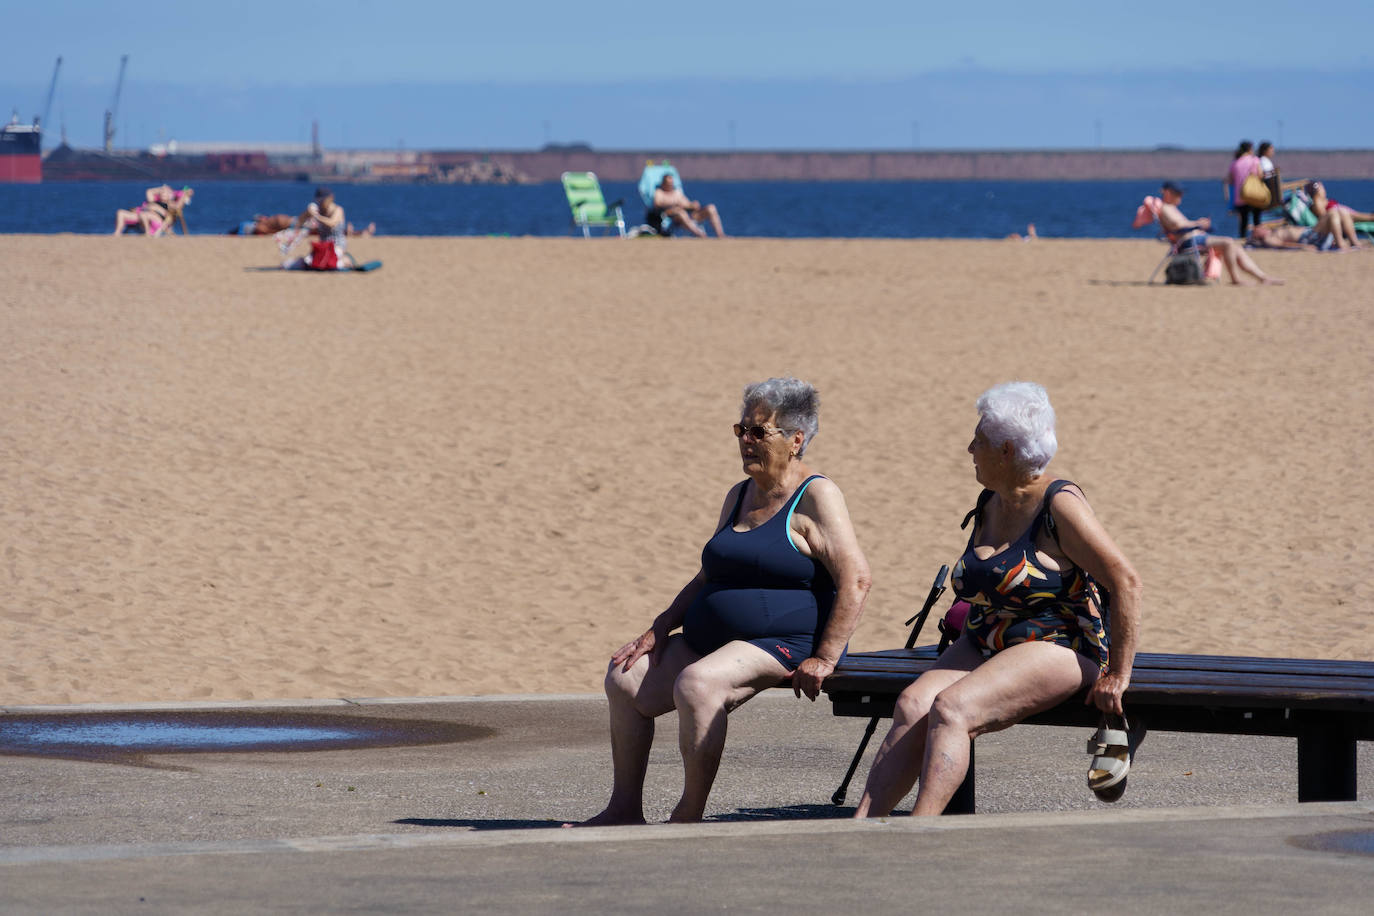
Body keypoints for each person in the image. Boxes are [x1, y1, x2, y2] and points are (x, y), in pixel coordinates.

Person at [578, 377, 871, 825]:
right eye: (742, 431)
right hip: (713, 639)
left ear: (796, 440)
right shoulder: (739, 495)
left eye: (759, 432)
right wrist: (661, 626)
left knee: (697, 685)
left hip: (785, 640)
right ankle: (624, 809)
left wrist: (826, 658)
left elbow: (856, 579)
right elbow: (708, 575)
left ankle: (688, 815)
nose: (747, 442)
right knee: (625, 677)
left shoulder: (816, 495)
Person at [853, 382, 1142, 818]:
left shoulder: (1059, 506)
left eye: (979, 440)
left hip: (1058, 644)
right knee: (913, 704)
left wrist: (1119, 674)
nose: (970, 447)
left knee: (953, 710)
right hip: (987, 638)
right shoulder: (991, 500)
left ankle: (918, 835)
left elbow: (1126, 581)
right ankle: (861, 829)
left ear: (1006, 450)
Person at [1156, 181, 1283, 285]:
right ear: (1167, 193)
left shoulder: (1170, 208)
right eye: (1178, 193)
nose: (1180, 196)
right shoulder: (1166, 208)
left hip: (1193, 238)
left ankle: (1262, 277)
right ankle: (1235, 279)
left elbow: (1180, 225)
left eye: (1181, 193)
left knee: (1235, 246)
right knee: (1228, 242)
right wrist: (1198, 224)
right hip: (1188, 241)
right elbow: (1178, 226)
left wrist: (1198, 223)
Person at [281, 187, 357, 269]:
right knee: (309, 262)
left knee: (330, 262)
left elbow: (332, 223)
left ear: (330, 198)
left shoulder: (338, 210)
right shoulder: (319, 210)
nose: (320, 202)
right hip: (323, 246)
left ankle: (346, 261)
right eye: (319, 200)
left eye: (322, 200)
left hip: (337, 245)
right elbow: (299, 222)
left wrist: (317, 216)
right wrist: (307, 213)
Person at [650, 173, 727, 238]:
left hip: (688, 215)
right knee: (681, 212)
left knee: (711, 208)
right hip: (674, 218)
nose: (670, 185)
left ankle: (720, 235)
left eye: (671, 183)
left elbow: (686, 203)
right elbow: (657, 204)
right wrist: (674, 205)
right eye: (668, 183)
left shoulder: (677, 192)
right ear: (663, 183)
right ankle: (701, 235)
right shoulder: (659, 192)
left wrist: (693, 205)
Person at [1249, 209, 1364, 251]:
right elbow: (1283, 244)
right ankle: (1340, 244)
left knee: (1342, 212)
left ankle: (1355, 243)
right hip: (1309, 238)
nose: (1259, 227)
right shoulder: (1269, 239)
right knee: (1333, 213)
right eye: (1256, 229)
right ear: (1257, 236)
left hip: (1310, 233)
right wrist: (1303, 247)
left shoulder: (1273, 231)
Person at [1227, 140, 1264, 238]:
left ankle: (1243, 238)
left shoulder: (1235, 162)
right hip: (1254, 194)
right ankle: (1257, 238)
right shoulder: (1254, 160)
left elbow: (1230, 180)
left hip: (1240, 196)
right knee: (1256, 219)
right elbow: (1260, 175)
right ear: (1250, 149)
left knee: (1243, 220)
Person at [1305, 181, 1374, 224]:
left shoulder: (1322, 200)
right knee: (1367, 217)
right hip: (1342, 217)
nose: (1324, 190)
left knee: (1364, 216)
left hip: (1344, 214)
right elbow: (1324, 217)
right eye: (1322, 188)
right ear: (1317, 190)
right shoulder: (1317, 202)